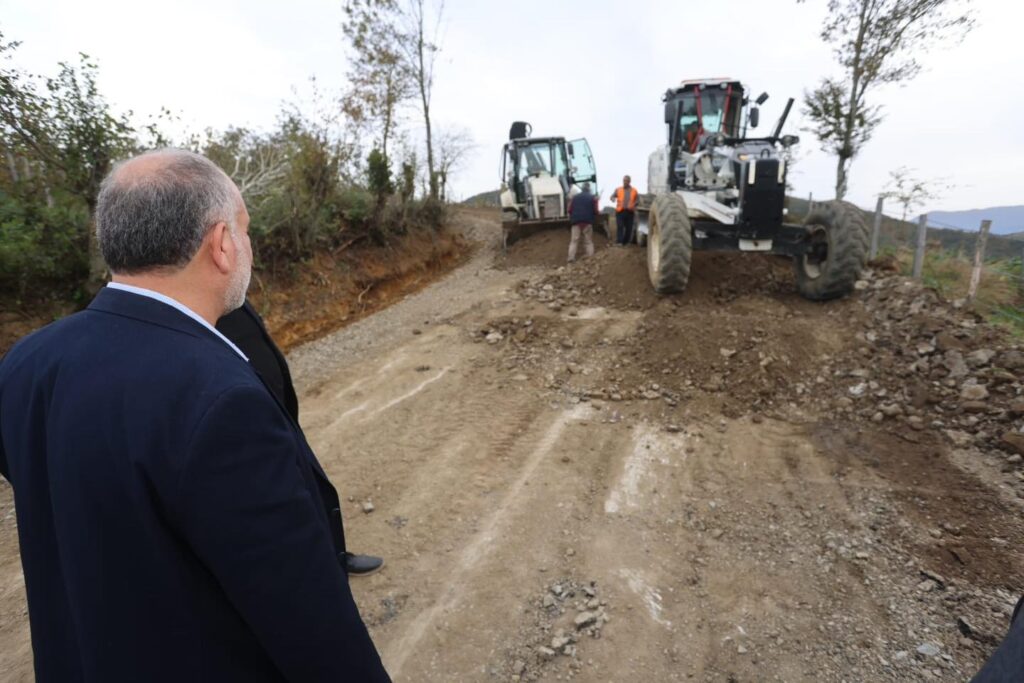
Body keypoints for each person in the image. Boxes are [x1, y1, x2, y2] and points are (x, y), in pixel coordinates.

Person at [0, 149, 390, 682]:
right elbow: (308, 621)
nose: (249, 245)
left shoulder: (27, 360)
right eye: (245, 229)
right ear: (223, 245)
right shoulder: (220, 399)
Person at [216, 300, 384, 575]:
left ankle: (335, 559)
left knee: (311, 493)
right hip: (249, 430)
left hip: (278, 414)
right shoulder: (189, 306)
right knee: (278, 507)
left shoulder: (230, 293)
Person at [566, 182, 599, 263]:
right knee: (588, 241)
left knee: (574, 241)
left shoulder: (575, 197)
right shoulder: (592, 198)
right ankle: (591, 258)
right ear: (589, 189)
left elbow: (569, 210)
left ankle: (571, 258)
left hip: (576, 222)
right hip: (587, 222)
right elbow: (596, 211)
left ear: (582, 188)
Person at [611, 175, 639, 245]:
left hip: (630, 212)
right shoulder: (618, 189)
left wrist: (634, 204)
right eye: (624, 180)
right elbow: (612, 196)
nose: (625, 182)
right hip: (620, 211)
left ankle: (626, 242)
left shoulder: (634, 191)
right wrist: (613, 198)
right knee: (620, 226)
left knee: (629, 228)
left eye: (626, 181)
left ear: (629, 182)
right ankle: (619, 241)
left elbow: (637, 200)